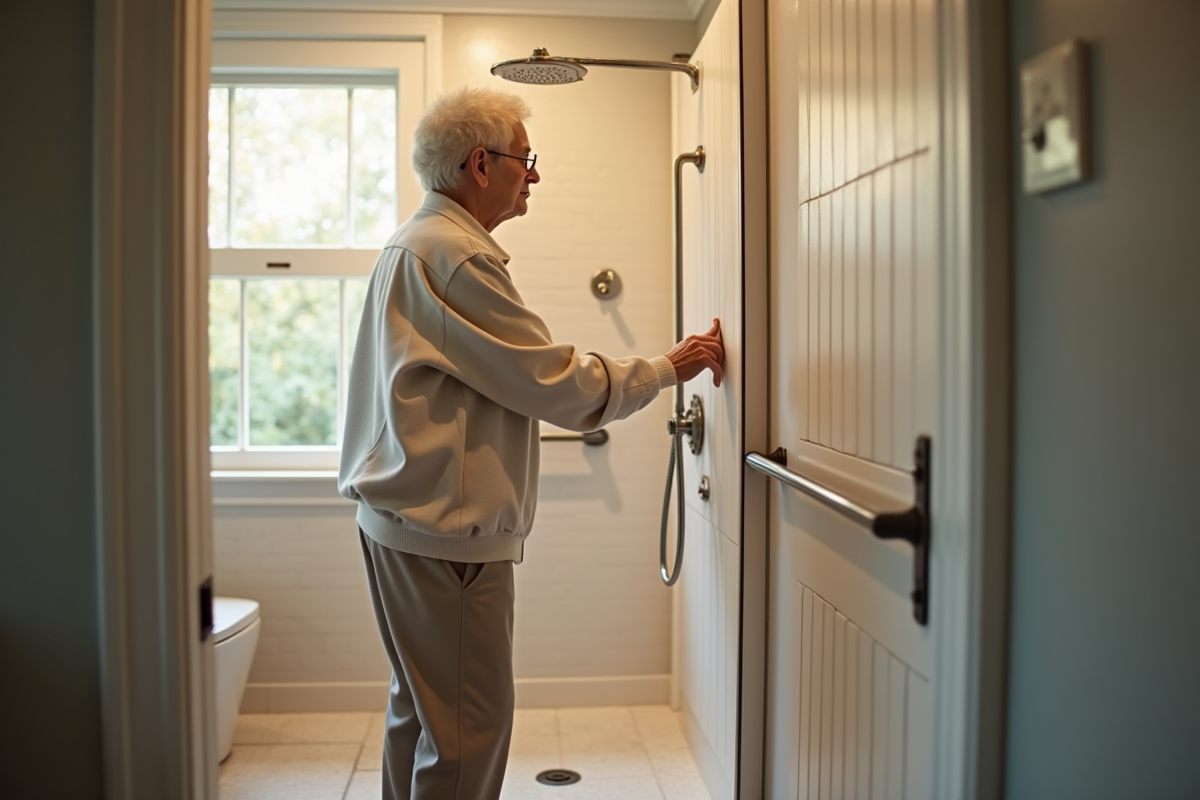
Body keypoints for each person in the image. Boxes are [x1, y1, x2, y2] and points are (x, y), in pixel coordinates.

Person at [337, 86, 724, 800]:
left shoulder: (412, 243)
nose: (534, 175)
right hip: (441, 537)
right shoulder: (456, 258)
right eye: (527, 159)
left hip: (398, 522)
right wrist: (670, 368)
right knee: (465, 736)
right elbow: (553, 382)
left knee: (420, 715)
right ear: (481, 165)